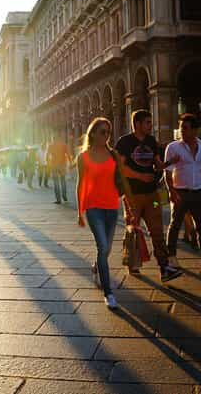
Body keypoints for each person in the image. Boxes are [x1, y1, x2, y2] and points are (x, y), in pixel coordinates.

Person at [115, 109, 183, 282]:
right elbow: (120, 168)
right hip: (133, 196)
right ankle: (132, 262)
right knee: (133, 230)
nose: (150, 126)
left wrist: (169, 163)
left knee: (157, 231)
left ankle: (164, 267)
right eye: (147, 122)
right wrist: (140, 176)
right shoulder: (125, 142)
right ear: (137, 124)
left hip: (152, 195)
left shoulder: (151, 141)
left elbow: (157, 165)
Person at [164, 114, 201, 279]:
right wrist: (171, 191)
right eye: (181, 127)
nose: (182, 130)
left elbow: (200, 164)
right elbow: (167, 173)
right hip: (180, 192)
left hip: (198, 191)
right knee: (175, 225)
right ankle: (171, 259)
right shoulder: (173, 147)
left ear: (195, 130)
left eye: (185, 127)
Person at [76, 118, 121, 309]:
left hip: (112, 205)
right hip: (93, 207)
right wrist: (79, 212)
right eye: (103, 132)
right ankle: (108, 293)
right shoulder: (83, 157)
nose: (106, 135)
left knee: (106, 249)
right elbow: (80, 184)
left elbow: (122, 179)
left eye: (108, 132)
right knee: (103, 246)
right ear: (93, 133)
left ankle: (96, 267)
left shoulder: (113, 155)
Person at [47, 134, 72, 204]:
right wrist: (70, 162)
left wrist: (48, 164)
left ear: (53, 139)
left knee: (56, 182)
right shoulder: (64, 145)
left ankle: (58, 199)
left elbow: (48, 156)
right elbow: (68, 154)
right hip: (62, 165)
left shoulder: (50, 145)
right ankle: (64, 196)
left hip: (54, 165)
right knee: (63, 181)